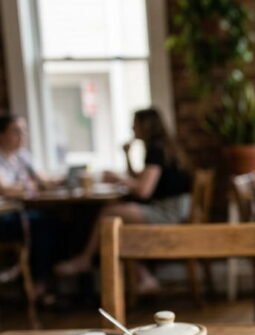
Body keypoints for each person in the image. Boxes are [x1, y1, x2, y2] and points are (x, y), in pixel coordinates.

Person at [56, 107, 192, 286]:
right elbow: (141, 179)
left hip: (168, 212)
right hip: (175, 208)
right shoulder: (163, 146)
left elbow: (144, 190)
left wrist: (118, 177)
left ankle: (86, 259)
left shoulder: (156, 150)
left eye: (134, 124)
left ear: (146, 126)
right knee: (117, 213)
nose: (132, 129)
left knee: (109, 215)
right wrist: (127, 156)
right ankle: (142, 275)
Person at [0, 113, 59, 301]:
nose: (22, 136)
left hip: (20, 212)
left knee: (55, 222)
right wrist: (29, 185)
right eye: (16, 131)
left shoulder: (22, 156)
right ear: (1, 135)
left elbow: (42, 180)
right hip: (4, 216)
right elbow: (5, 189)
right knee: (42, 224)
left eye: (24, 131)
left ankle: (46, 283)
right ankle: (39, 283)